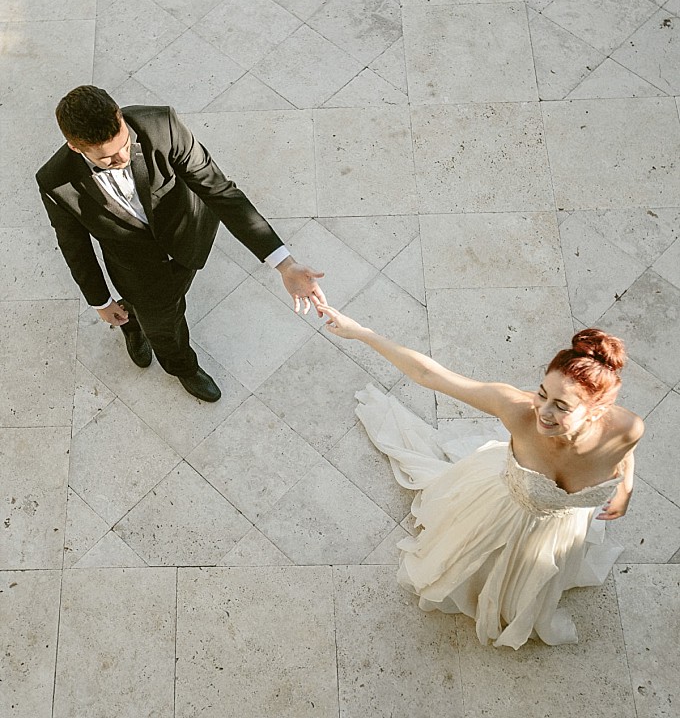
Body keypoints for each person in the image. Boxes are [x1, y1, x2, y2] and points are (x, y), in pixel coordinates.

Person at [320, 305, 643, 649]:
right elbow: (430, 375)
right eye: (542, 394)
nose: (543, 413)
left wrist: (624, 491)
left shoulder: (627, 428)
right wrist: (361, 332)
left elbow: (626, 455)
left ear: (597, 411)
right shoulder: (517, 410)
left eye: (562, 407)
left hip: (560, 530)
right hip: (503, 509)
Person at [37, 86, 326, 402]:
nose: (122, 158)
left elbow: (220, 191)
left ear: (120, 117)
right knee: (165, 327)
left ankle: (132, 317)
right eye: (106, 157)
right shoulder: (55, 182)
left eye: (124, 144)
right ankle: (182, 366)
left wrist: (285, 264)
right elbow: (74, 246)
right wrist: (102, 302)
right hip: (137, 270)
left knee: (172, 295)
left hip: (189, 240)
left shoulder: (162, 125)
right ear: (75, 148)